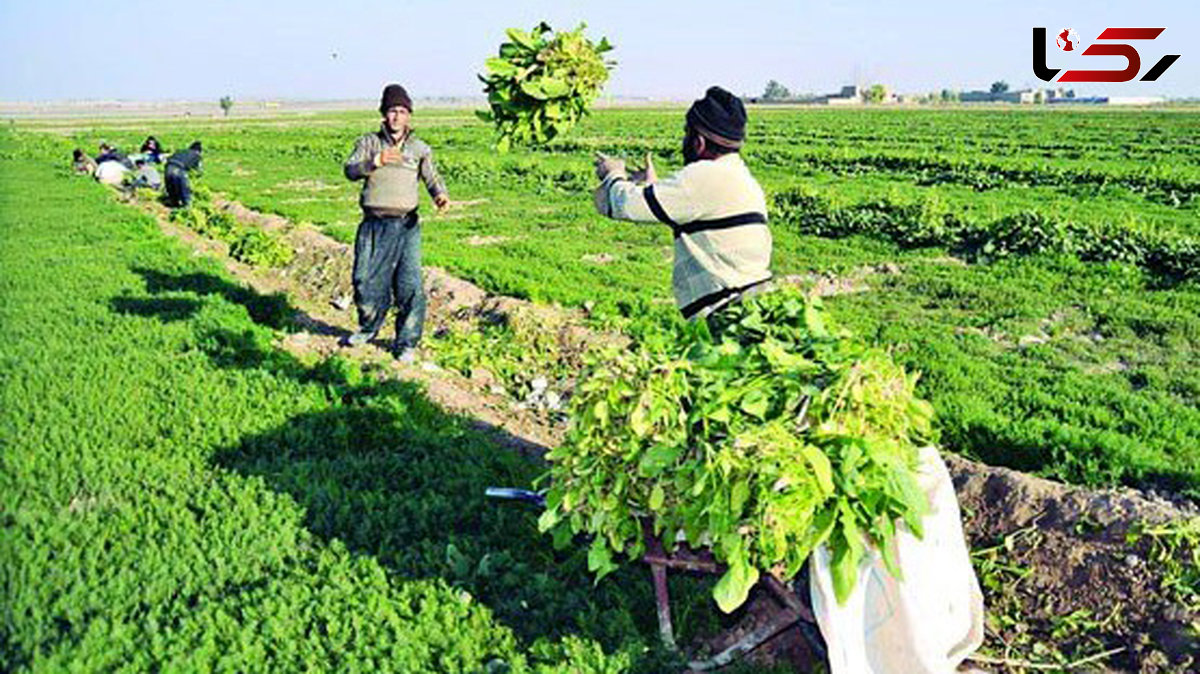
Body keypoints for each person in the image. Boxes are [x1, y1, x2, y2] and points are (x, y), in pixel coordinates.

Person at [592, 86, 773, 333]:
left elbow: (625, 205)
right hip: (753, 302)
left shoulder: (703, 176)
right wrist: (652, 187)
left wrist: (612, 172)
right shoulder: (740, 177)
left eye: (686, 133)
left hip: (730, 313)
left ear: (698, 141)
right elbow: (695, 211)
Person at [341, 83, 449, 362]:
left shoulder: (419, 148)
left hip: (406, 225)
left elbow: (432, 177)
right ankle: (369, 327)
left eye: (401, 111)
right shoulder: (368, 143)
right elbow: (350, 170)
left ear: (409, 116)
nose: (396, 117)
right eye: (391, 111)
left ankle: (406, 343)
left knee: (409, 284)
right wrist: (374, 161)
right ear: (383, 114)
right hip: (374, 224)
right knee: (364, 280)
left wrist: (440, 196)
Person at [164, 141, 202, 207]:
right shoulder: (197, 155)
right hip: (179, 169)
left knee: (171, 189)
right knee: (184, 190)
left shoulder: (180, 151)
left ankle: (173, 203)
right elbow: (198, 171)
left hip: (168, 168)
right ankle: (187, 208)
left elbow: (168, 158)